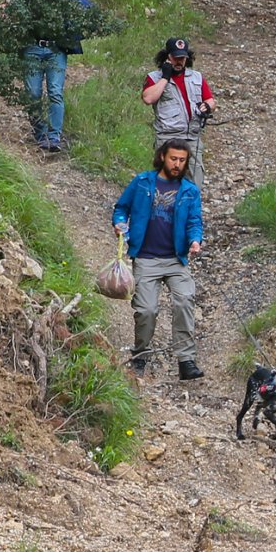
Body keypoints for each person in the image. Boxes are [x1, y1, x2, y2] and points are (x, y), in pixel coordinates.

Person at [112, 139, 204, 380]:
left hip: (176, 259)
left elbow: (195, 221)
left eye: (182, 160)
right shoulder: (142, 182)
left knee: (184, 300)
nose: (177, 164)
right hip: (145, 257)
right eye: (173, 158)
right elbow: (121, 208)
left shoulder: (190, 190)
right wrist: (120, 225)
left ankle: (186, 360)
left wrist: (195, 240)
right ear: (162, 156)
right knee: (146, 309)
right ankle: (140, 354)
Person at [20, 0, 80, 152]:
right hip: (32, 47)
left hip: (56, 49)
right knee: (33, 93)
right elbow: (12, 11)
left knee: (55, 92)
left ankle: (54, 136)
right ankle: (40, 133)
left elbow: (73, 19)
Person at [142, 37, 216, 188]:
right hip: (167, 138)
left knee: (195, 184)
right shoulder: (154, 78)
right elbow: (148, 98)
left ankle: (189, 211)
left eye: (182, 58)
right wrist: (165, 78)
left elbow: (210, 100)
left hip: (192, 138)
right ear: (167, 57)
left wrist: (207, 107)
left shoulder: (196, 77)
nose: (179, 61)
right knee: (166, 185)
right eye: (175, 58)